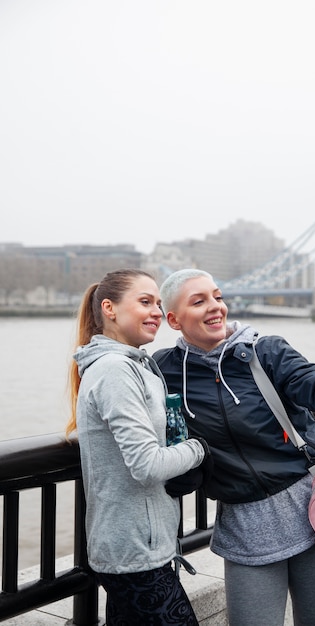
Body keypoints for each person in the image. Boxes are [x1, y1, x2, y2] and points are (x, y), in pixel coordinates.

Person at [153, 268, 315, 626]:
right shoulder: (163, 371)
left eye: (217, 296)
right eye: (199, 301)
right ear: (173, 319)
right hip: (245, 527)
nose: (215, 307)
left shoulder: (265, 351)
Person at [66, 268, 212, 626]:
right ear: (109, 309)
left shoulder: (134, 365)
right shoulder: (116, 370)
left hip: (141, 547)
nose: (157, 312)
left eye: (159, 304)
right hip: (134, 553)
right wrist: (200, 450)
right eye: (145, 302)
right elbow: (145, 464)